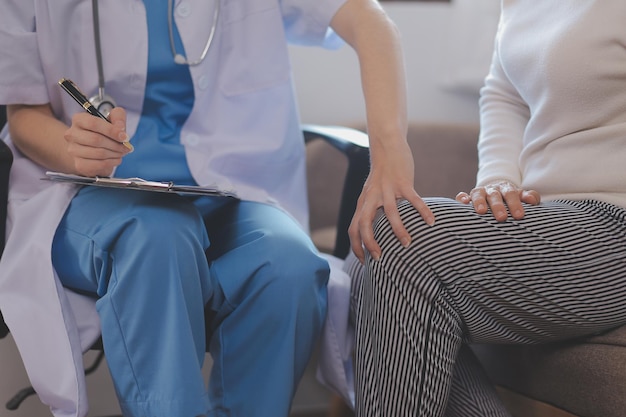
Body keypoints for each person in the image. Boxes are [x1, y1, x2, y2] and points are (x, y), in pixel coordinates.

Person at [0, 0, 411, 416]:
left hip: (233, 191)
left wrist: (390, 152)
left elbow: (367, 20)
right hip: (89, 195)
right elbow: (24, 115)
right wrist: (75, 150)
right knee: (158, 236)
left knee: (289, 266)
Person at [347, 1, 626, 416]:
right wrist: (498, 176)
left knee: (397, 237)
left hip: (613, 220)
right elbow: (503, 92)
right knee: (366, 253)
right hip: (545, 213)